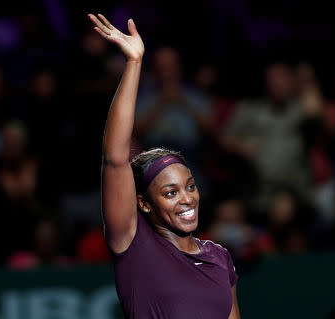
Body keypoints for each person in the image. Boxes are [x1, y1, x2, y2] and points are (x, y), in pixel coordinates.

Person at [88, 14, 240, 319]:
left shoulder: (220, 257)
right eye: (170, 193)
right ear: (143, 203)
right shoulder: (135, 246)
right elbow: (115, 159)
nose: (186, 198)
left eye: (190, 186)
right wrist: (134, 64)